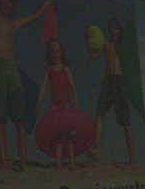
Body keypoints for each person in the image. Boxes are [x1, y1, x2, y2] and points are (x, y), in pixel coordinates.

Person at [0, 0, 50, 170]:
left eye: (11, 1)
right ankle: (4, 163)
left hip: (11, 67)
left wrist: (45, 5)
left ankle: (23, 163)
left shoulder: (14, 24)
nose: (7, 3)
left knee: (20, 117)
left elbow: (33, 17)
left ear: (13, 6)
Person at [88, 17, 136, 165]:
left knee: (125, 121)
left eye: (116, 28)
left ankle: (132, 160)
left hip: (119, 82)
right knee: (99, 113)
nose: (113, 31)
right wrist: (88, 41)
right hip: (108, 82)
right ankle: (96, 150)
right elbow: (94, 56)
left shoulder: (121, 45)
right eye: (111, 28)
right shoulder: (106, 43)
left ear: (119, 30)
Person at [34, 38, 80, 169]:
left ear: (61, 53)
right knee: (58, 137)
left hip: (66, 106)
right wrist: (38, 103)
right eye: (52, 51)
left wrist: (76, 102)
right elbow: (44, 87)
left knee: (68, 136)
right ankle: (59, 164)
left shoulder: (66, 69)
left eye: (57, 51)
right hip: (55, 107)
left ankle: (72, 163)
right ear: (49, 54)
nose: (55, 54)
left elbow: (72, 86)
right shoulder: (49, 70)